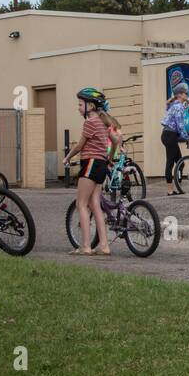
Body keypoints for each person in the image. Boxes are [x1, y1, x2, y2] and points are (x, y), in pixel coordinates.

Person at [64, 87, 121, 256]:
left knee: (81, 203)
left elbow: (80, 145)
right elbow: (115, 141)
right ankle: (104, 245)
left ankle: (86, 246)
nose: (79, 107)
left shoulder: (90, 122)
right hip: (101, 164)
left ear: (91, 105)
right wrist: (109, 157)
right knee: (95, 204)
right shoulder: (104, 122)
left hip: (90, 163)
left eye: (81, 104)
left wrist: (67, 157)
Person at [160, 82, 189, 196]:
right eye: (185, 93)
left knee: (180, 163)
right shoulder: (178, 107)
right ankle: (170, 190)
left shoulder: (174, 105)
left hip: (168, 135)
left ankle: (176, 188)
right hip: (170, 135)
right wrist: (188, 139)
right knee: (170, 163)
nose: (187, 94)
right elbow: (180, 126)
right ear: (179, 95)